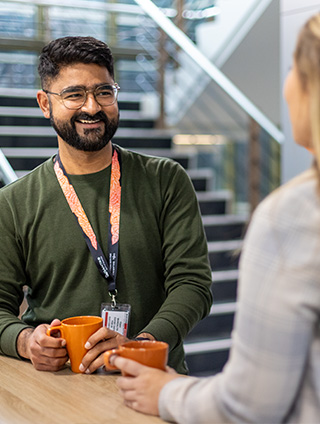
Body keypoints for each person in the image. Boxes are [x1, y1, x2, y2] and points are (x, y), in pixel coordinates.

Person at [109, 2, 320, 422]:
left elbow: (248, 407)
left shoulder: (295, 216)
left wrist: (167, 392)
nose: (286, 85)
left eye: (294, 69)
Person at [0, 36, 212, 375]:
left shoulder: (165, 180)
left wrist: (139, 346)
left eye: (104, 92)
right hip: (59, 390)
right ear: (45, 103)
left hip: (152, 381)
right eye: (74, 94)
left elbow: (193, 285)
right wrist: (26, 341)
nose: (92, 107)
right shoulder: (14, 202)